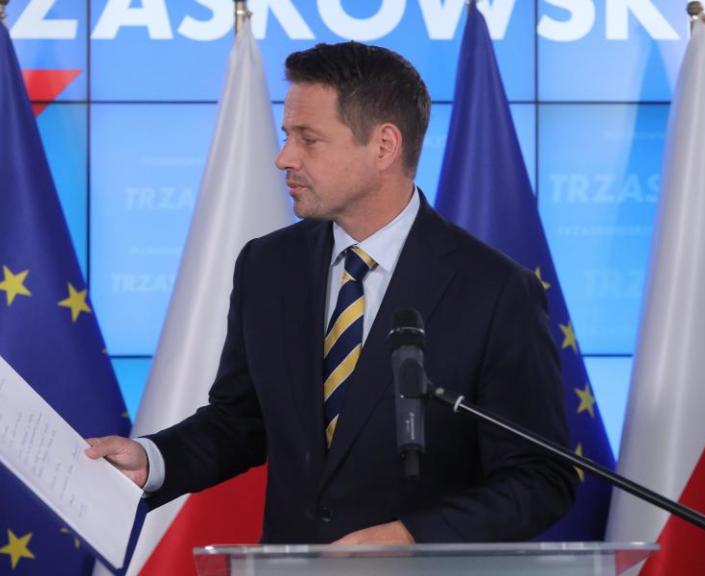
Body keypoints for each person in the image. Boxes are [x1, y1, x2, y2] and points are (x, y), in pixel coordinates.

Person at [86, 41, 575, 544]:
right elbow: (241, 420)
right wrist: (153, 459)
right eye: (285, 136)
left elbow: (541, 478)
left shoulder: (494, 290)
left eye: (308, 139)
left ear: (384, 146)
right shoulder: (268, 265)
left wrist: (412, 537)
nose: (283, 158)